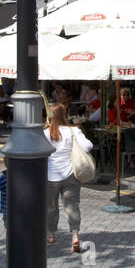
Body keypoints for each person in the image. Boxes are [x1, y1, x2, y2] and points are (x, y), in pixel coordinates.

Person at [44, 103, 94, 254]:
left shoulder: (45, 133)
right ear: (63, 114)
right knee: (72, 206)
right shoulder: (73, 130)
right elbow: (88, 146)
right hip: (70, 174)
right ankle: (75, 236)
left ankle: (51, 234)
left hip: (49, 176)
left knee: (50, 208)